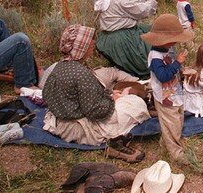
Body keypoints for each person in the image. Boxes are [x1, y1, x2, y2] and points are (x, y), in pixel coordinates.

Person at [42, 25, 149, 162]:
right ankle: (114, 145)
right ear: (82, 46)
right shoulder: (80, 73)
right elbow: (96, 111)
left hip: (59, 117)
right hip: (74, 125)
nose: (93, 42)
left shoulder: (60, 66)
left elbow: (79, 95)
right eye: (89, 40)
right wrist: (114, 99)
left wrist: (108, 94)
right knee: (136, 104)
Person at [91, 0, 163, 78]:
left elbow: (132, 4)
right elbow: (144, 10)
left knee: (150, 30)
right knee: (155, 40)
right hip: (121, 38)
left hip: (108, 37)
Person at [141, 14, 194, 164]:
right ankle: (175, 153)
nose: (177, 41)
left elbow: (170, 67)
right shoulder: (155, 56)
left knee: (177, 118)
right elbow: (163, 76)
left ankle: (167, 143)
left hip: (174, 92)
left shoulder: (168, 49)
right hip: (165, 96)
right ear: (165, 40)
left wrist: (180, 69)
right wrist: (177, 63)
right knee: (172, 122)